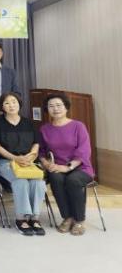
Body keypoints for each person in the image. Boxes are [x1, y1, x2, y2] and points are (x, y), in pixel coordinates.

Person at [39, 93, 95, 236]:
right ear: (47, 109)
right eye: (51, 106)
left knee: (73, 180)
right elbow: (41, 152)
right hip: (57, 166)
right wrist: (47, 164)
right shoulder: (45, 129)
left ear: (66, 107)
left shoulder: (78, 126)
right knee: (55, 178)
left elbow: (84, 151)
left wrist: (68, 167)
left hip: (80, 167)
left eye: (59, 105)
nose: (55, 109)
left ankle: (79, 220)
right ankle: (67, 217)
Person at [0, 92, 46, 236]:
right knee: (20, 181)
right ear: (2, 107)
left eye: (14, 102)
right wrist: (15, 158)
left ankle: (34, 218)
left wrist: (31, 156)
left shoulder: (29, 123)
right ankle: (21, 219)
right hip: (6, 162)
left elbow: (36, 143)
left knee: (38, 182)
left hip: (28, 162)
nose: (11, 105)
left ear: (19, 104)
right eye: (7, 103)